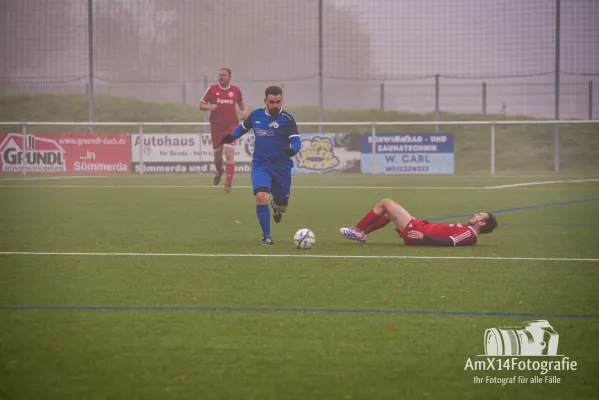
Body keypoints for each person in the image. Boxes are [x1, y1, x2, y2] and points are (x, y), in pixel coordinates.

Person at [220, 85, 301, 245]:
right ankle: (267, 236)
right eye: (272, 102)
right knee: (261, 196)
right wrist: (230, 136)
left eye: (278, 102)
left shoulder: (287, 119)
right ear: (265, 101)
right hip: (261, 164)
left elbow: (296, 140)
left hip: (281, 167)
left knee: (283, 207)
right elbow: (243, 128)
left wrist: (292, 150)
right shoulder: (256, 115)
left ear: (281, 100)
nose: (275, 105)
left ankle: (276, 207)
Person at [340, 199, 498, 246]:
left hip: (416, 231)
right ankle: (362, 234)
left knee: (386, 203)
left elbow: (449, 243)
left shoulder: (469, 234)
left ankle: (357, 229)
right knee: (388, 213)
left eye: (479, 216)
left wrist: (424, 238)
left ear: (482, 224)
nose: (475, 215)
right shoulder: (467, 230)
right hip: (418, 227)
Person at [199, 68, 248, 192]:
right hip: (216, 127)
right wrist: (209, 107)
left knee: (229, 154)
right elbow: (201, 105)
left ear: (230, 77)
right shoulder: (211, 89)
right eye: (219, 75)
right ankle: (219, 171)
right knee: (217, 159)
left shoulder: (236, 90)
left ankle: (228, 184)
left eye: (224, 75)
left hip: (231, 126)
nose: (221, 77)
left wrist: (244, 112)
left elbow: (242, 105)